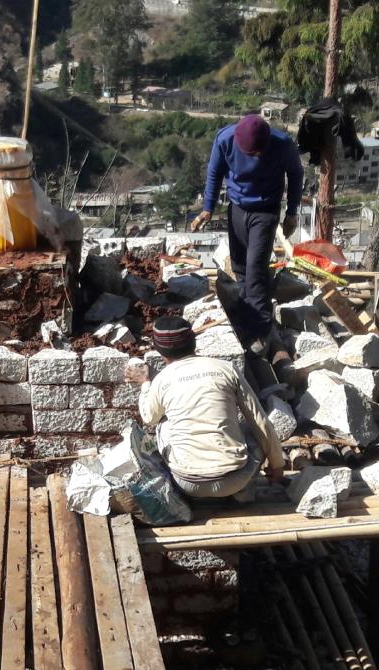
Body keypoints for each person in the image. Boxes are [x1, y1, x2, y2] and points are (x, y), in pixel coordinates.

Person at [125, 317, 285, 500]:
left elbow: (149, 418)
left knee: (163, 423)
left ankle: (188, 495)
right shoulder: (226, 369)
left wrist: (145, 384)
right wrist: (277, 466)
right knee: (252, 428)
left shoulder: (162, 379)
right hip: (236, 479)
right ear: (193, 342)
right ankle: (243, 494)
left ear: (160, 351)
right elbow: (261, 422)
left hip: (188, 484)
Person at [191, 114, 304, 355]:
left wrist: (292, 212)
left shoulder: (282, 144)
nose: (256, 157)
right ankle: (244, 319)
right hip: (238, 207)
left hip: (266, 208)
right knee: (241, 267)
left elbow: (295, 175)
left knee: (256, 268)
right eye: (251, 154)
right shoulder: (225, 139)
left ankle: (261, 331)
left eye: (259, 153)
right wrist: (208, 208)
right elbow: (214, 173)